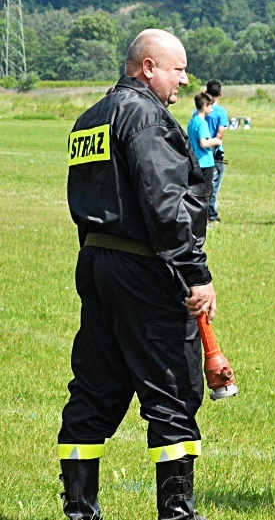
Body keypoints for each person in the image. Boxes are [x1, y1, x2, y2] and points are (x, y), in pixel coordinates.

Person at [61, 29, 218, 520]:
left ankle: (79, 510)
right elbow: (165, 205)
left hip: (97, 262)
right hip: (144, 267)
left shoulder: (89, 119)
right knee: (172, 388)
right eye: (178, 70)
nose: (184, 80)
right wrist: (195, 273)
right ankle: (177, 512)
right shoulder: (146, 116)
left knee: (94, 389)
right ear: (148, 68)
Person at [187, 91, 223, 204]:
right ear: (204, 106)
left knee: (196, 193)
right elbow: (203, 143)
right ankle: (205, 215)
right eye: (211, 106)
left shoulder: (192, 121)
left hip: (195, 162)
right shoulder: (202, 123)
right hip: (205, 162)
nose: (212, 109)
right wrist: (216, 141)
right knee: (206, 193)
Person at [204, 80, 229, 223]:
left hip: (199, 152)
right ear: (220, 93)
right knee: (213, 185)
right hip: (214, 153)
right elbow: (220, 134)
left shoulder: (198, 111)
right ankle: (211, 214)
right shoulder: (221, 112)